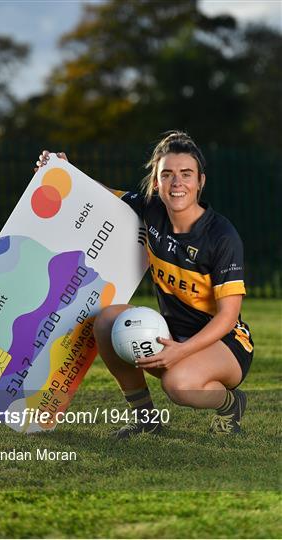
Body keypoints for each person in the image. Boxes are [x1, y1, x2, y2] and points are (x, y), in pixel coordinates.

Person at [35, 131, 254, 438]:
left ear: (200, 181)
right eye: (167, 174)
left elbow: (228, 316)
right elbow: (98, 196)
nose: (177, 183)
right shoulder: (150, 209)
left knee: (178, 385)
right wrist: (61, 169)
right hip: (172, 333)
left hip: (226, 344)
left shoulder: (221, 236)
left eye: (186, 174)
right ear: (156, 182)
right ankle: (145, 419)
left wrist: (180, 352)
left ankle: (231, 404)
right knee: (106, 321)